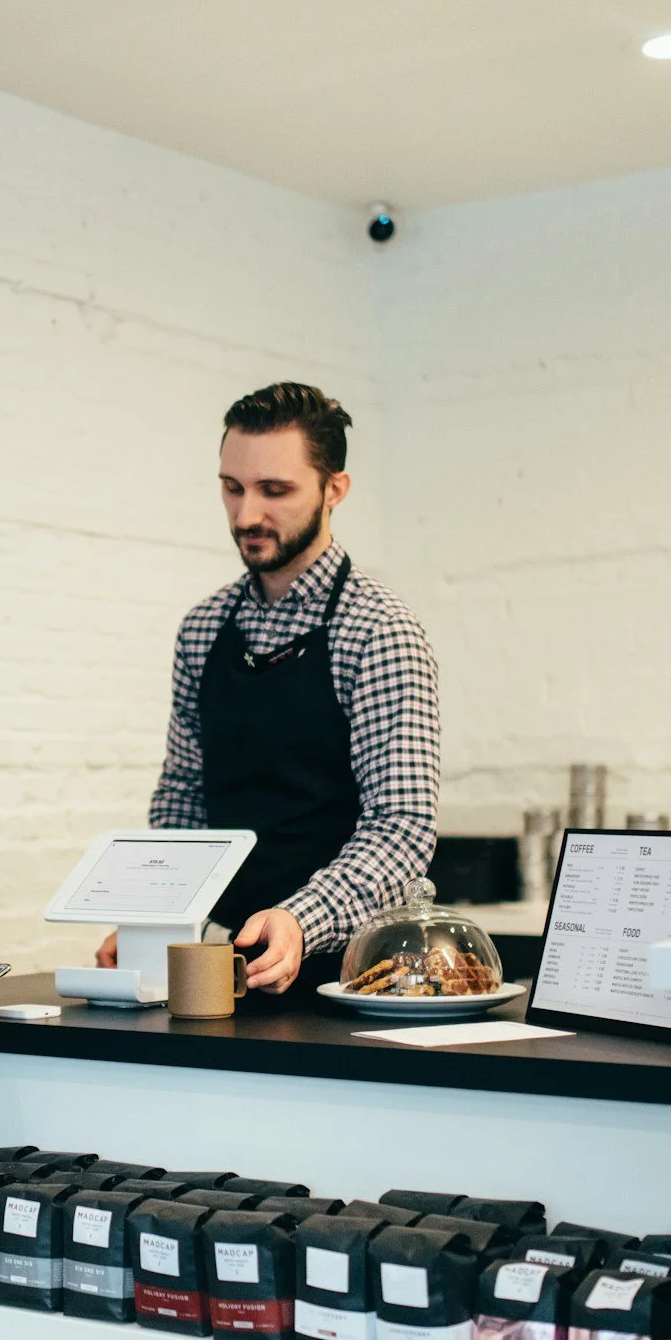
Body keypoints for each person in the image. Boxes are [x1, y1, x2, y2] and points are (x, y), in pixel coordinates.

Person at [106, 382, 440, 998]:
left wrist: (299, 921)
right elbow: (184, 798)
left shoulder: (378, 630)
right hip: (226, 967)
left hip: (355, 976)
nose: (246, 515)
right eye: (232, 488)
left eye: (275, 491)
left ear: (334, 489)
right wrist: (151, 916)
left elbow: (402, 827)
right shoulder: (204, 628)